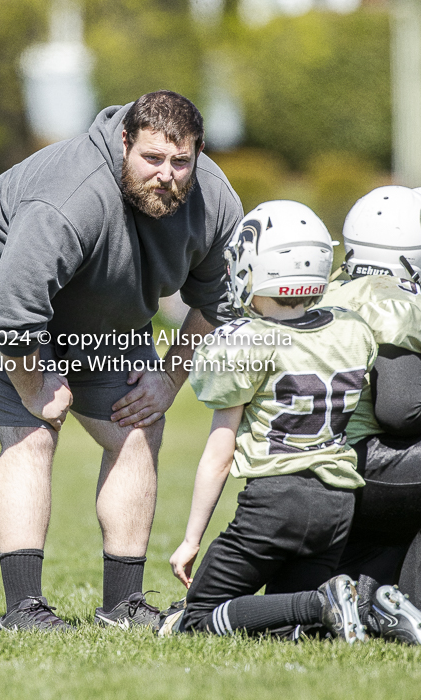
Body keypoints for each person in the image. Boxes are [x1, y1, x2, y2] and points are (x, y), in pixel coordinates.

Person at [0, 90, 243, 631]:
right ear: (125, 142)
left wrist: (168, 380)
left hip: (103, 305)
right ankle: (24, 610)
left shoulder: (215, 200)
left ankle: (123, 605)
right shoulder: (69, 198)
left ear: (197, 153)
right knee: (33, 433)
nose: (167, 175)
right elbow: (12, 313)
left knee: (138, 425)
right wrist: (36, 387)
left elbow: (217, 302)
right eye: (152, 159)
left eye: (181, 161)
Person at [158, 200, 377, 642]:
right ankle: (331, 607)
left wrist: (191, 540)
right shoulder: (352, 329)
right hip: (338, 504)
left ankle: (321, 601)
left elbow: (219, 455)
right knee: (286, 628)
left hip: (276, 505)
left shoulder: (247, 341)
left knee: (198, 618)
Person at [321, 186, 421, 643]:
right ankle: (413, 609)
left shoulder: (333, 286)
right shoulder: (391, 299)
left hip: (306, 463)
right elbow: (400, 410)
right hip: (356, 464)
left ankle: (370, 595)